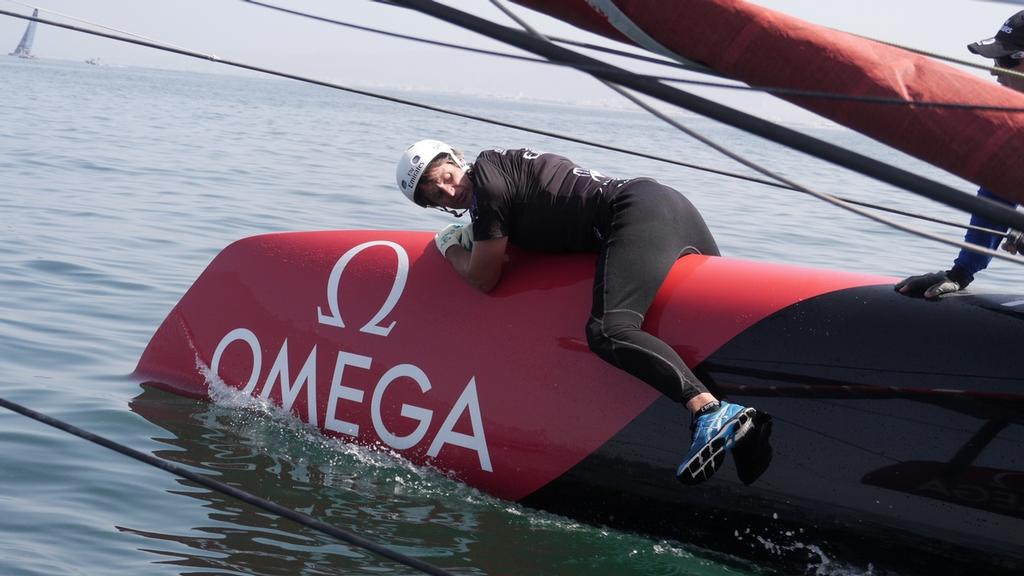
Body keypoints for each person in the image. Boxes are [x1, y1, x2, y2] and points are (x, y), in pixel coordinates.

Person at [395, 140, 772, 485]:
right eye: (436, 195)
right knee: (707, 335)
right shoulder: (502, 165)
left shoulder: (488, 193)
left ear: (457, 158)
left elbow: (483, 277)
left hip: (637, 215)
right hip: (667, 203)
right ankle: (751, 437)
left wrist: (450, 248)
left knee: (608, 331)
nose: (449, 190)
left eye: (446, 177)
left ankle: (707, 410)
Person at [896, 11, 1024, 298]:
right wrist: (961, 273)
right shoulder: (1014, 135)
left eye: (1004, 61)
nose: (994, 71)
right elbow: (995, 199)